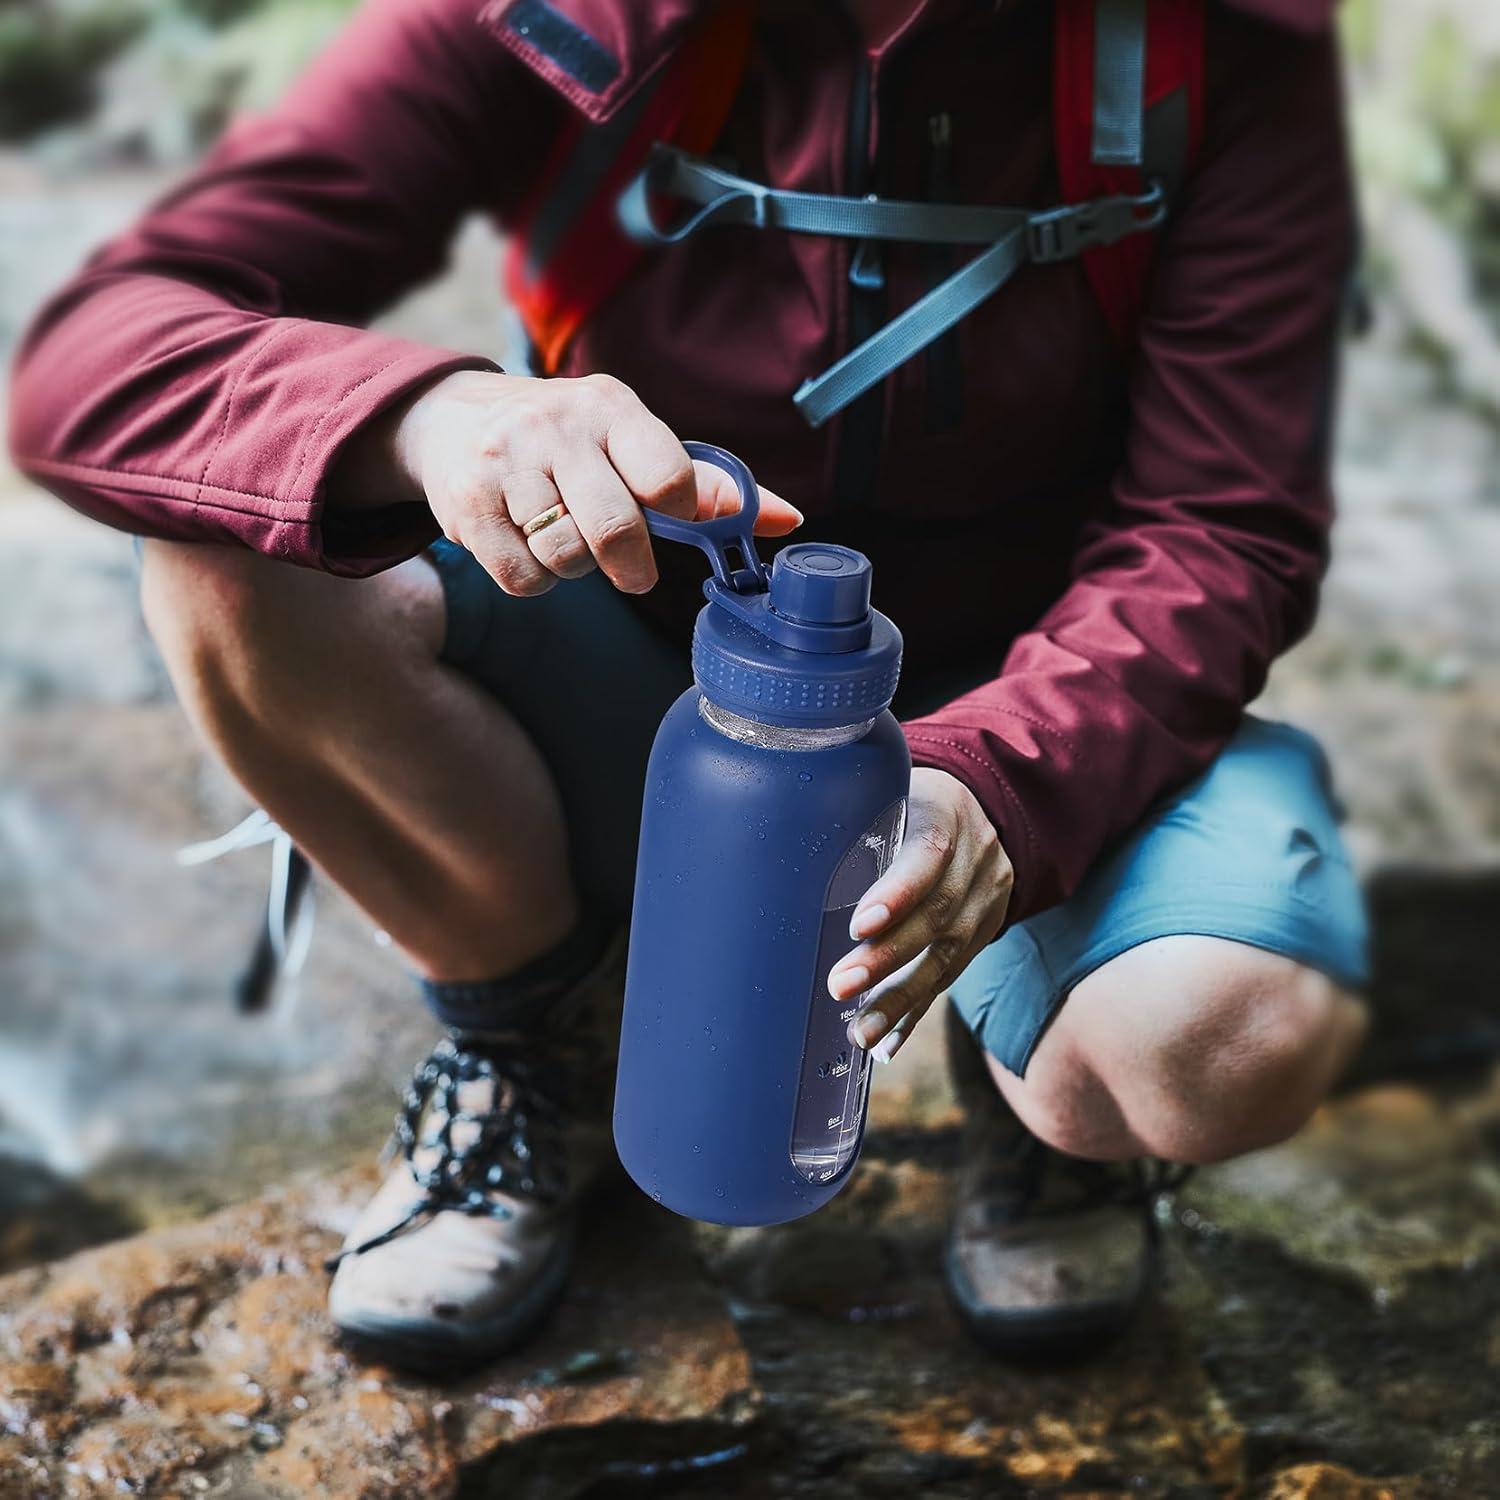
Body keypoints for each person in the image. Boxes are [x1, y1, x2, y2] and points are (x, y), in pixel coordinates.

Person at [8, 0, 1371, 1369]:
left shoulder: (1224, 41)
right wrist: (427, 419)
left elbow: (1222, 528)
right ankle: (537, 1044)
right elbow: (90, 356)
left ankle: (1032, 1094)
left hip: (1049, 700)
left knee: (1225, 1033)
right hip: (661, 686)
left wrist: (1001, 788)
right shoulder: (551, 19)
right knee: (229, 556)